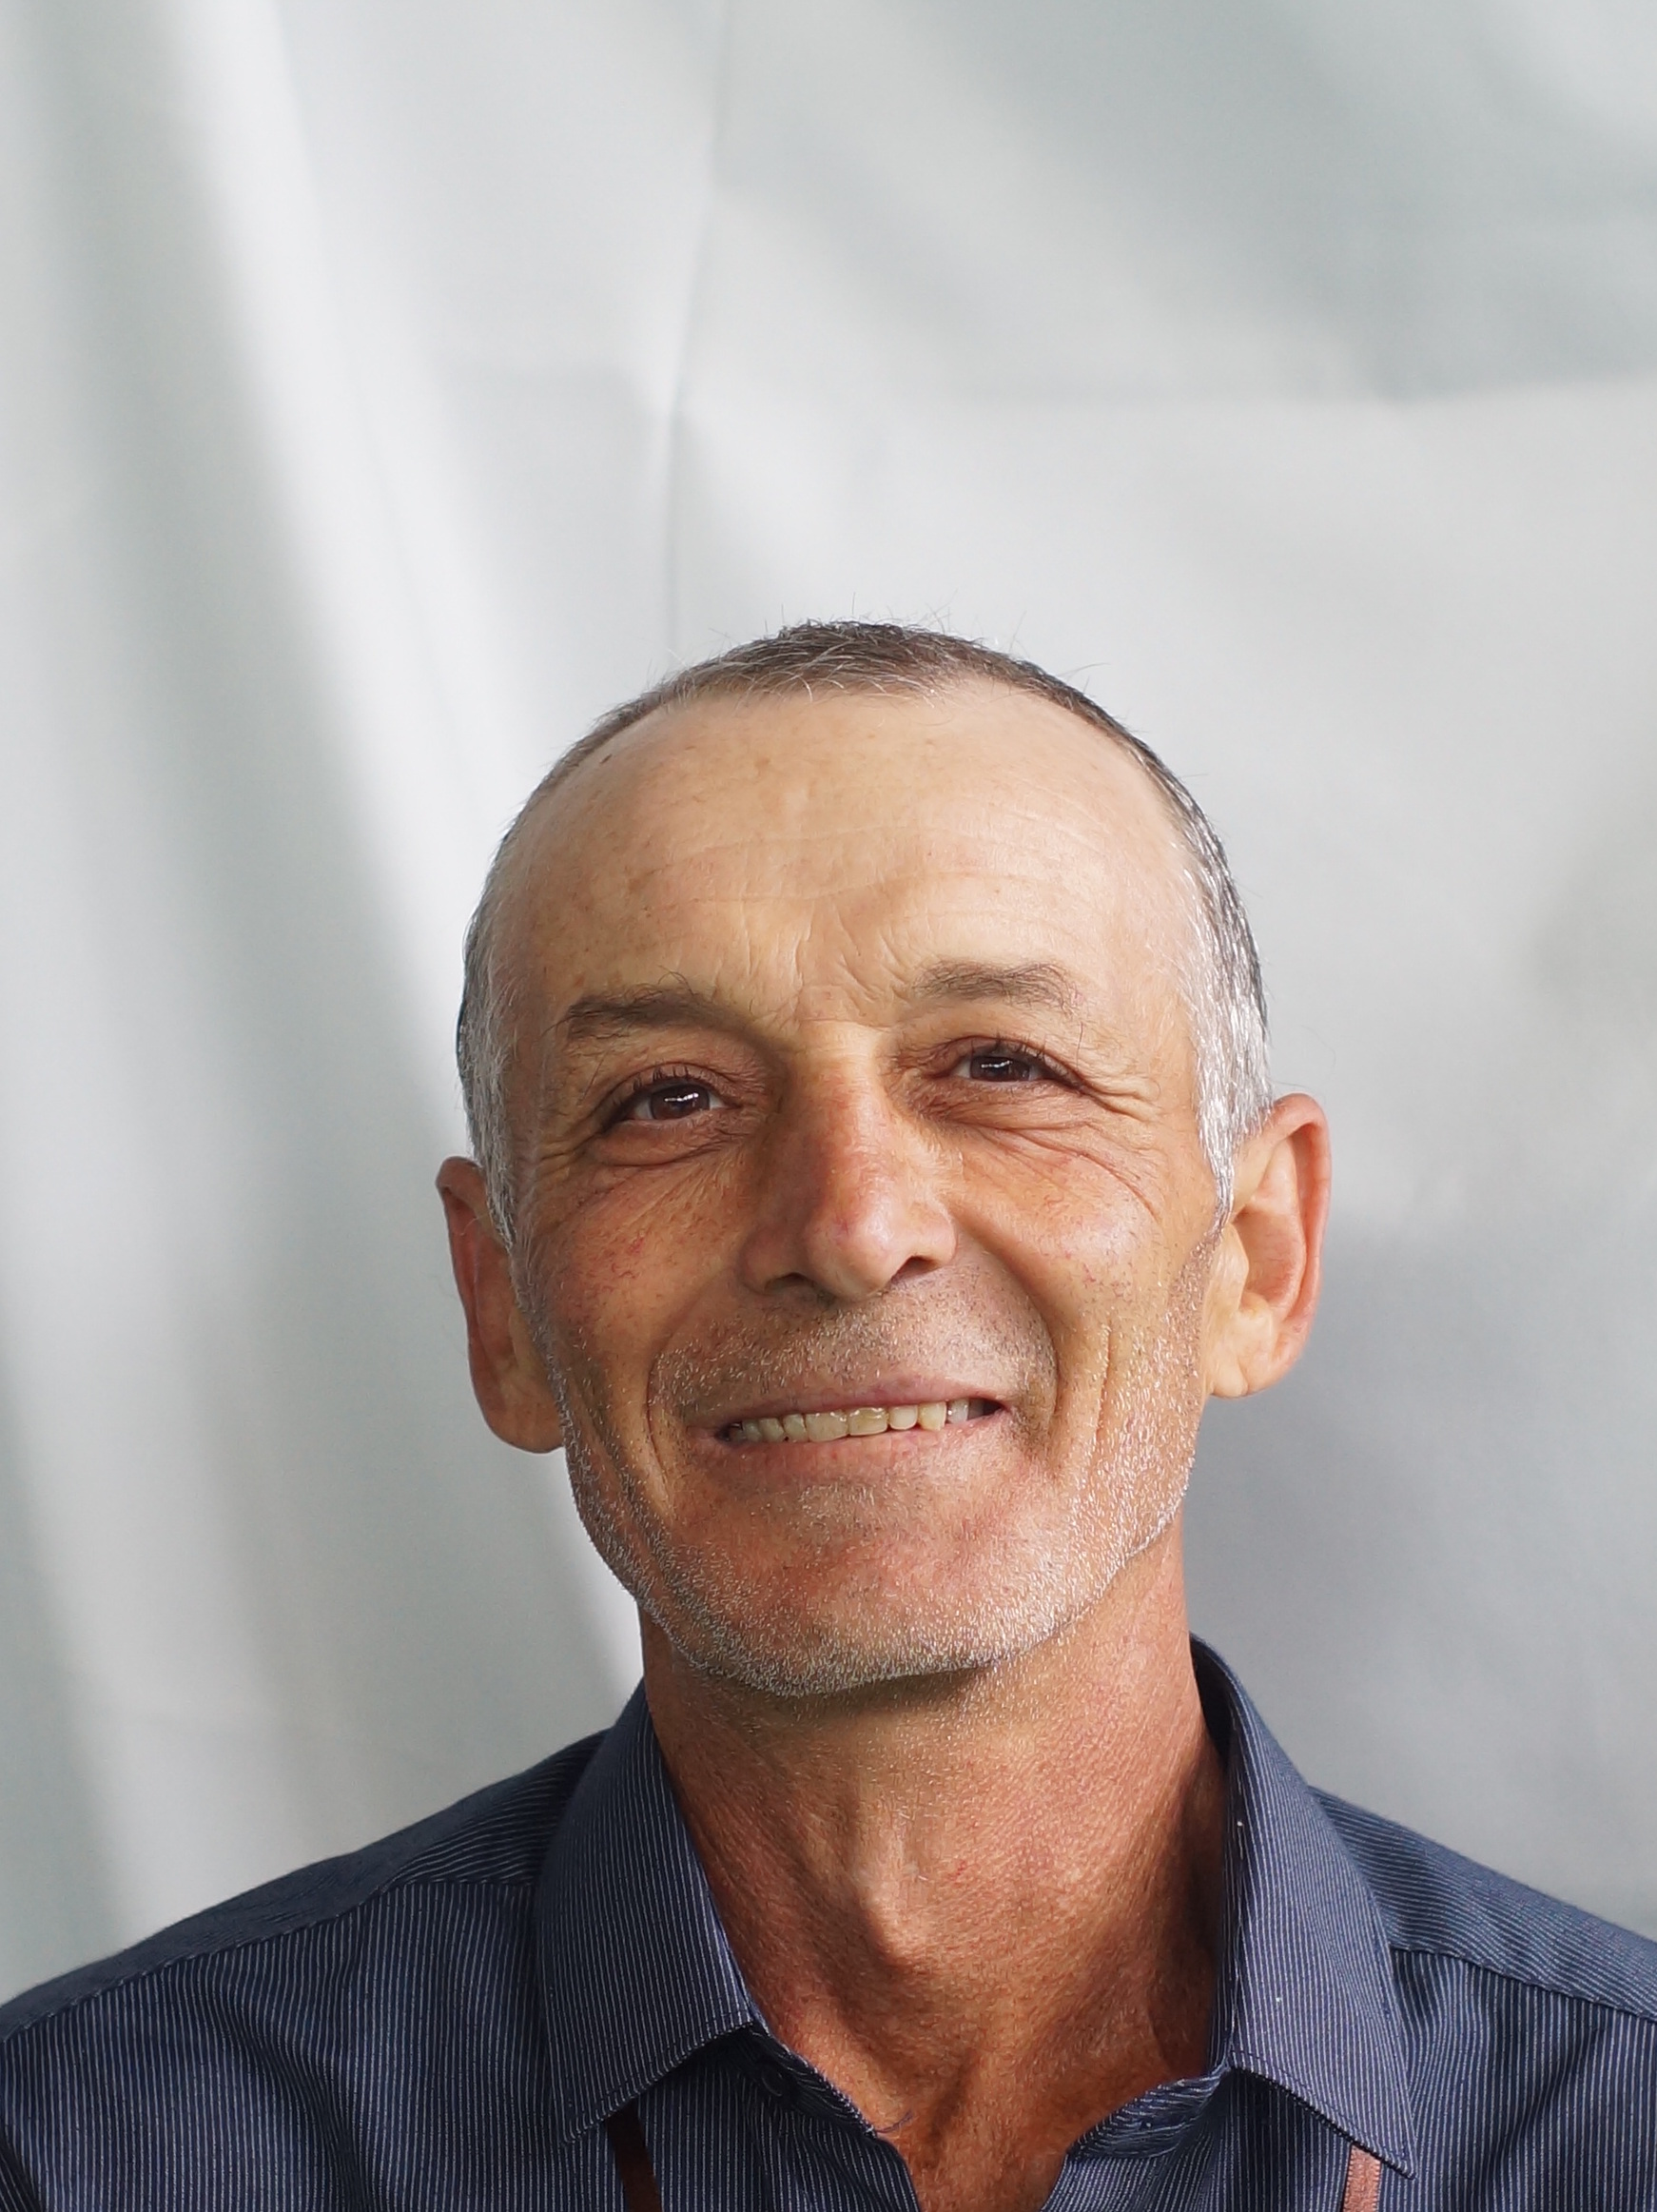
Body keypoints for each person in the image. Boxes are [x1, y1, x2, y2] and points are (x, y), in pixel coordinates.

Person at [2, 624, 1654, 2212]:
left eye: (999, 1065)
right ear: (501, 1308)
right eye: (669, 1098)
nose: (850, 1225)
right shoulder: (78, 2157)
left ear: (1256, 1258)